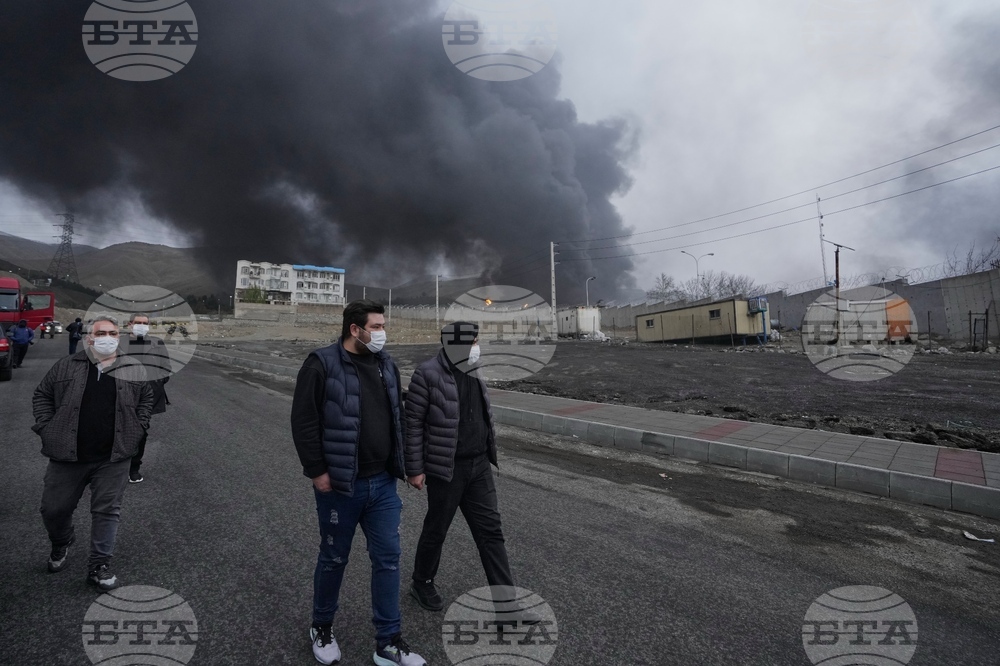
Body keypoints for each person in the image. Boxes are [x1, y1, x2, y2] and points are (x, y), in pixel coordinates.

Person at [290, 299, 426, 666]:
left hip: (382, 485)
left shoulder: (386, 365)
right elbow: (304, 422)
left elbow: (398, 420)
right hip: (340, 486)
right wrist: (317, 471)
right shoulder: (321, 364)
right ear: (356, 329)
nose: (382, 333)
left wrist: (411, 467)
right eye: (377, 326)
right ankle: (321, 626)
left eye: (383, 326)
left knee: (388, 560)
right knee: (334, 558)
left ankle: (389, 642)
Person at [405, 322, 537, 623]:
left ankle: (507, 608)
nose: (478, 347)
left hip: (478, 466)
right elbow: (412, 424)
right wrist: (414, 469)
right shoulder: (427, 374)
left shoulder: (474, 370)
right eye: (474, 341)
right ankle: (421, 582)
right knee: (437, 529)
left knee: (491, 532)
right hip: (446, 468)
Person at [32, 316, 153, 591]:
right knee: (54, 509)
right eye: (101, 333)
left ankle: (98, 566)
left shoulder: (133, 367)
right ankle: (62, 541)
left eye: (112, 332)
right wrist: (46, 427)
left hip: (114, 455)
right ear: (89, 338)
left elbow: (147, 397)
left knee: (107, 511)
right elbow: (42, 394)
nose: (107, 337)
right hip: (67, 454)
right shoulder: (66, 365)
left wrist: (139, 424)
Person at [121, 313, 170, 483]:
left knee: (140, 431)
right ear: (130, 324)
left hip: (146, 396)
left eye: (145, 323)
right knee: (117, 428)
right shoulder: (118, 342)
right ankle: (113, 466)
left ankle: (134, 467)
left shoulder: (157, 343)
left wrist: (157, 381)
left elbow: (166, 367)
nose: (141, 325)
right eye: (138, 323)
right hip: (121, 393)